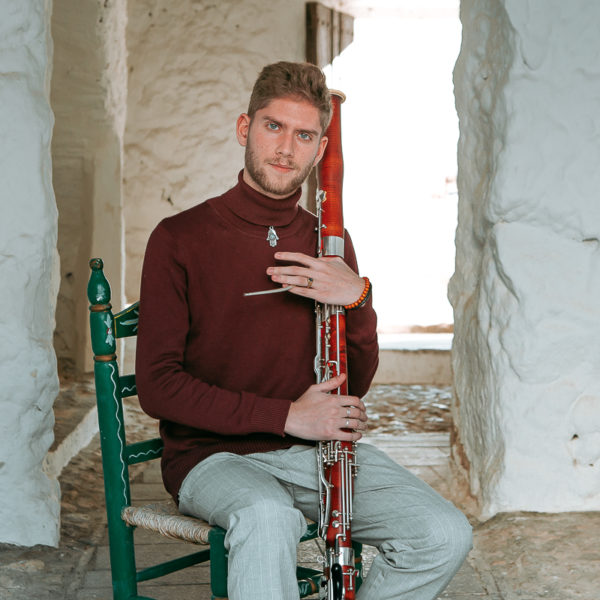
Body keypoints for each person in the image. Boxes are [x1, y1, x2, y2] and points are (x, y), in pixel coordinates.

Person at [136, 61, 471, 600]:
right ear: (245, 129)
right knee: (268, 516)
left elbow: (352, 380)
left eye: (304, 135)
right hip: (210, 457)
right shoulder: (179, 238)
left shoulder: (331, 242)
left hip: (312, 452)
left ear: (320, 149)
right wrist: (288, 416)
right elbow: (157, 386)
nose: (286, 148)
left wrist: (357, 298)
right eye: (273, 127)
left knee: (442, 534)